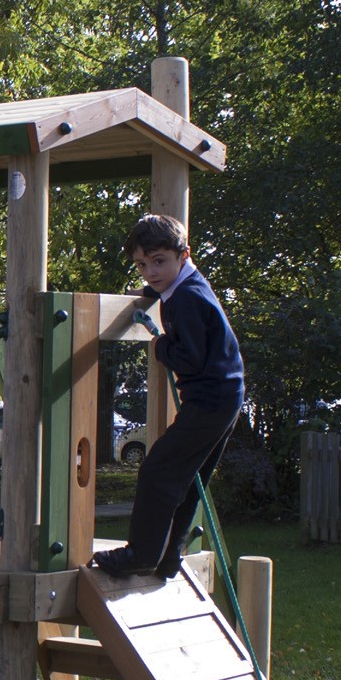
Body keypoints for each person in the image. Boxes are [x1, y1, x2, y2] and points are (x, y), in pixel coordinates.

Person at [89, 213, 245, 581]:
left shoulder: (188, 299)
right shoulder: (185, 288)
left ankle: (140, 555)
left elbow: (189, 359)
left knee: (157, 471)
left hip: (210, 398)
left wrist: (159, 347)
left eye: (159, 261)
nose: (150, 272)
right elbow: (162, 293)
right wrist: (145, 295)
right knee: (189, 477)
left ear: (183, 255)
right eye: (142, 265)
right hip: (223, 395)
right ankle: (169, 556)